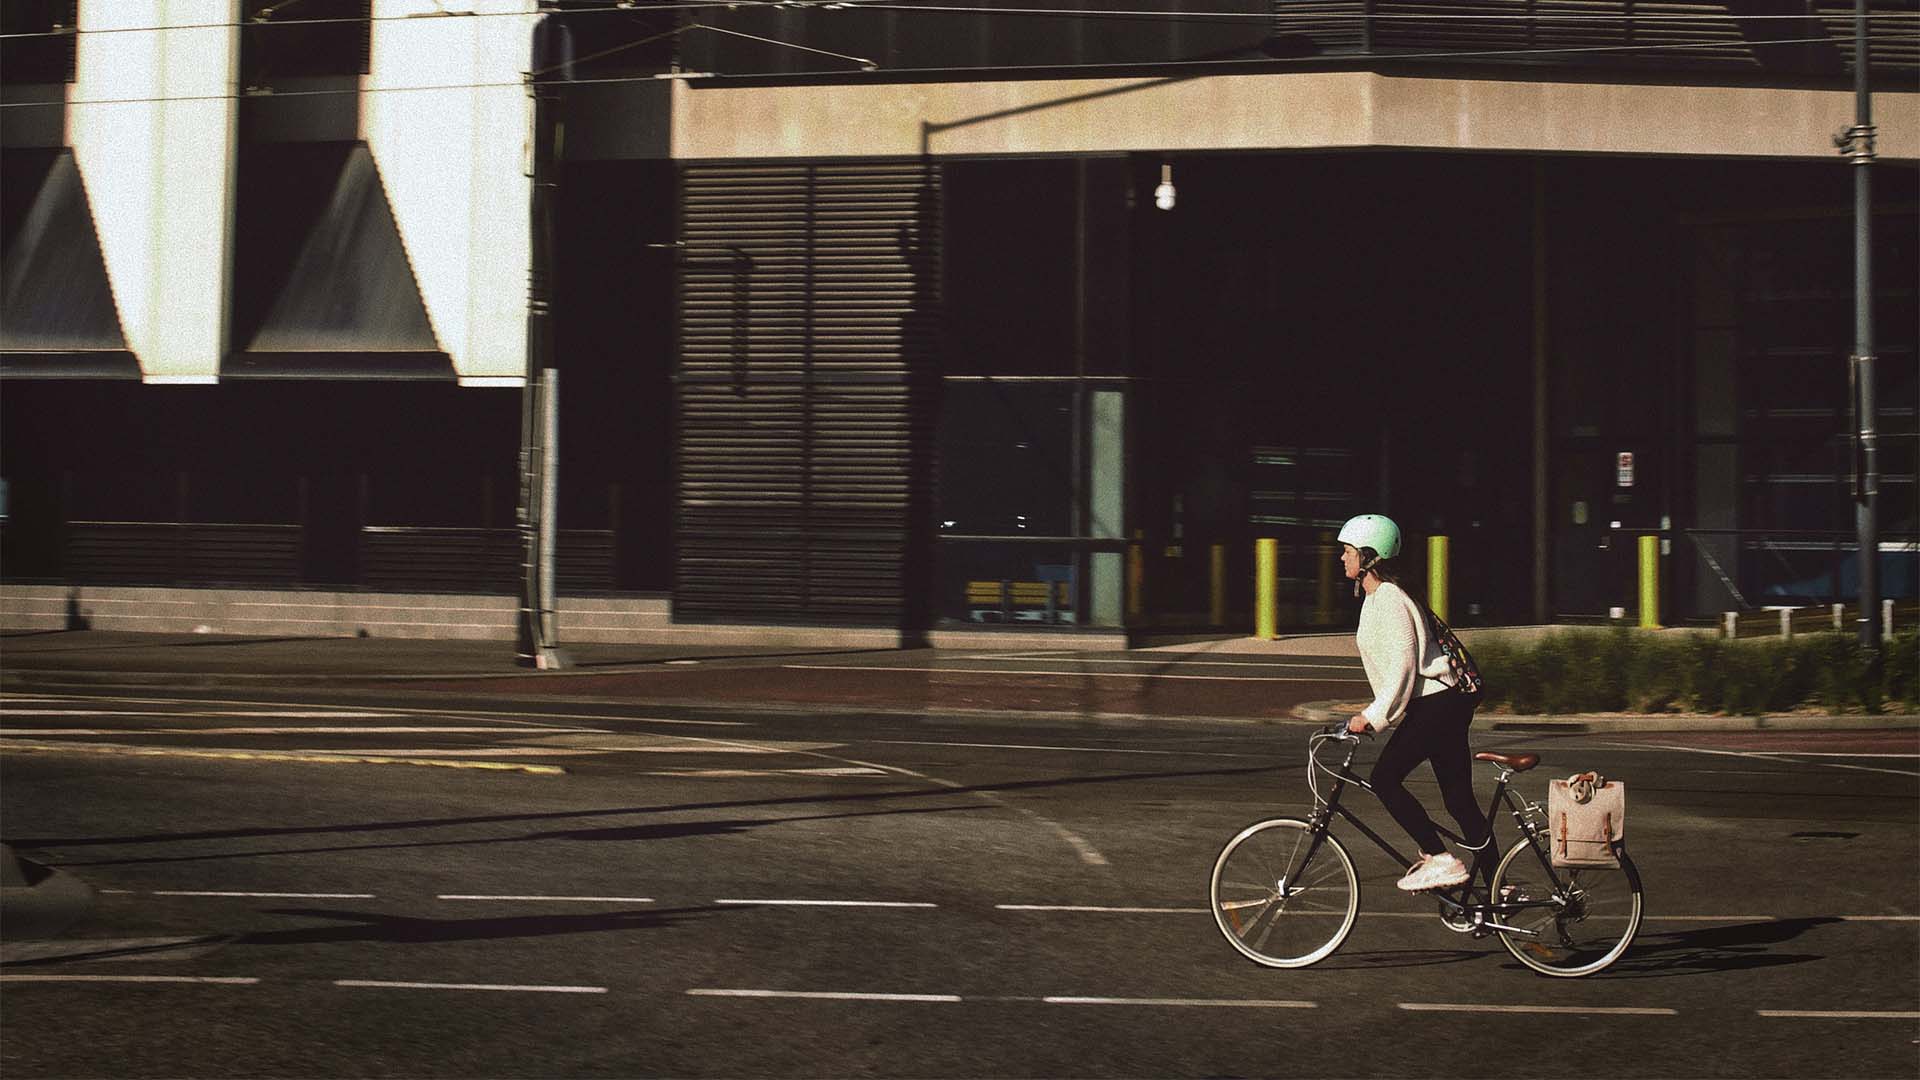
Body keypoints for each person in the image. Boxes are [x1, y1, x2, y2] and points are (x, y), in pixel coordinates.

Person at [1337, 513, 1489, 893]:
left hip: (1437, 705)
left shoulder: (1389, 597)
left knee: (1384, 779)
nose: (1341, 557)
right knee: (1459, 803)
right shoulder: (1375, 598)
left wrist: (1373, 717)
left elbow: (1404, 667)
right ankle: (1498, 889)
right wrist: (1376, 712)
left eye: (1347, 551)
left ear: (1369, 556)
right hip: (1440, 705)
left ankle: (1439, 859)